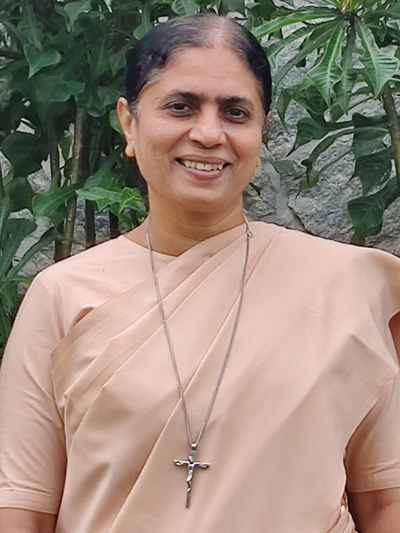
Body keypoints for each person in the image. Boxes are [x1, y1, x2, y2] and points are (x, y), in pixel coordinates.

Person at [0, 13, 400, 533]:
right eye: (180, 106)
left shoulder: (345, 289)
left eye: (235, 112)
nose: (209, 133)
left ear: (261, 132)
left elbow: (386, 501)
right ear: (129, 123)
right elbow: (21, 509)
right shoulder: (62, 296)